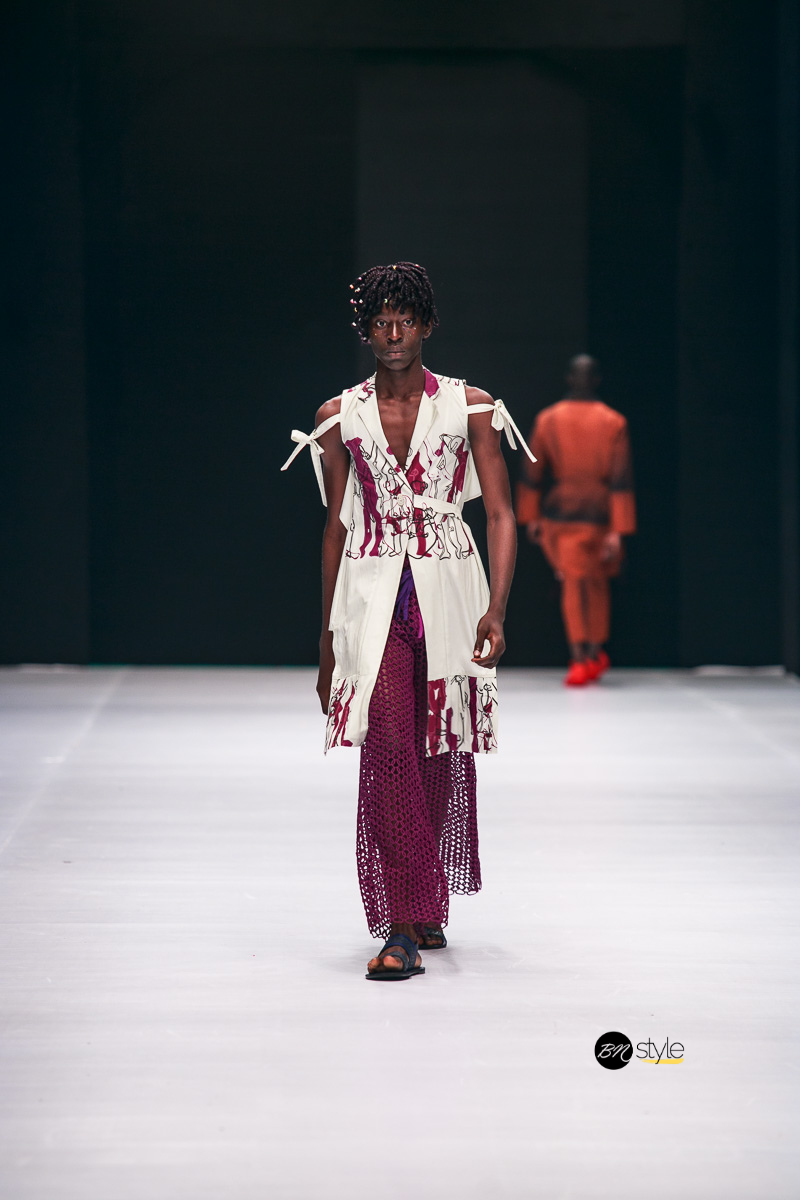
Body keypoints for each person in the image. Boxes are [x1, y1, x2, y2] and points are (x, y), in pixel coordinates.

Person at [282, 262, 535, 981]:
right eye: (380, 322)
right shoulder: (341, 415)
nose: (393, 334)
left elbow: (503, 513)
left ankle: (424, 902)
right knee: (389, 745)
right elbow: (336, 525)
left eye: (405, 321)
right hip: (372, 596)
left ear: (426, 325)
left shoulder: (470, 406)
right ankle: (399, 922)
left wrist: (497, 608)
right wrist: (327, 642)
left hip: (449, 590)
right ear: (365, 332)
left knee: (436, 746)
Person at [515, 354, 636, 686]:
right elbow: (620, 480)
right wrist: (618, 529)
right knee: (583, 583)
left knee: (583, 583)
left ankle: (587, 655)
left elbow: (531, 472)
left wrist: (531, 516)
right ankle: (586, 655)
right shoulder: (612, 421)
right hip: (587, 517)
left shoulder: (550, 419)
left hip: (572, 515)